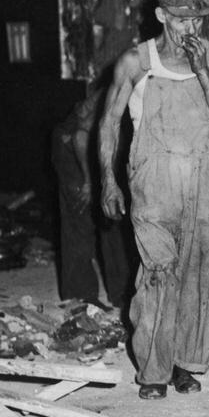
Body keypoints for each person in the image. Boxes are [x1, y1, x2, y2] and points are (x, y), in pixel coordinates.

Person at [98, 0, 209, 399]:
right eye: (180, 20)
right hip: (153, 184)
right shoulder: (136, 62)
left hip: (205, 181)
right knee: (158, 274)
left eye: (197, 20)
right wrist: (108, 179)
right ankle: (154, 372)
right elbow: (108, 123)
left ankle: (185, 365)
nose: (189, 29)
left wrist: (203, 71)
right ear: (162, 16)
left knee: (200, 275)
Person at [51, 75, 135, 309]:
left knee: (114, 216)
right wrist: (89, 183)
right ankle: (79, 295)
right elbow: (80, 136)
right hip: (73, 143)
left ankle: (122, 293)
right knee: (80, 217)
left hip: (98, 145)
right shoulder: (116, 93)